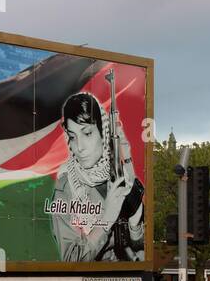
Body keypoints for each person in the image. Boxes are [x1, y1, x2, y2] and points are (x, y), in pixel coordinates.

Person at [49, 91, 145, 262]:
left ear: (103, 133)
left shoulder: (120, 176)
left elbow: (142, 247)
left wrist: (135, 222)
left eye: (87, 133)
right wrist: (106, 220)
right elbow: (72, 259)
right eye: (72, 136)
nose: (79, 147)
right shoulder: (66, 188)